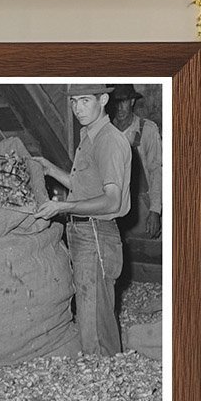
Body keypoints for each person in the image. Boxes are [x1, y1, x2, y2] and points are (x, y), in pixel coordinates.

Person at [33, 84, 132, 357]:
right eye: (74, 101)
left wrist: (63, 206)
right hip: (83, 232)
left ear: (103, 99)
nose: (78, 108)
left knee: (94, 318)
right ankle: (100, 369)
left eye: (85, 100)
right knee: (91, 312)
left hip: (97, 233)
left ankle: (101, 371)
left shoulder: (108, 140)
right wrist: (50, 169)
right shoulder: (89, 136)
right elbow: (83, 187)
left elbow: (111, 201)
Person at [109, 84, 162, 240]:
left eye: (124, 101)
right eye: (116, 102)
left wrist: (155, 210)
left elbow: (156, 171)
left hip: (140, 209)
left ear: (132, 101)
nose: (119, 108)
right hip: (112, 209)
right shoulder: (106, 131)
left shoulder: (147, 130)